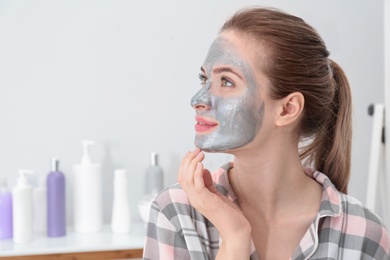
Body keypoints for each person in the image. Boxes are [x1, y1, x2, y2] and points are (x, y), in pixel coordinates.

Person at [143, 7, 390, 260]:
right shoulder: (177, 214)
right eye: (203, 79)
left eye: (226, 81)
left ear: (287, 109)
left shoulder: (364, 236)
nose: (198, 99)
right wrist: (234, 237)